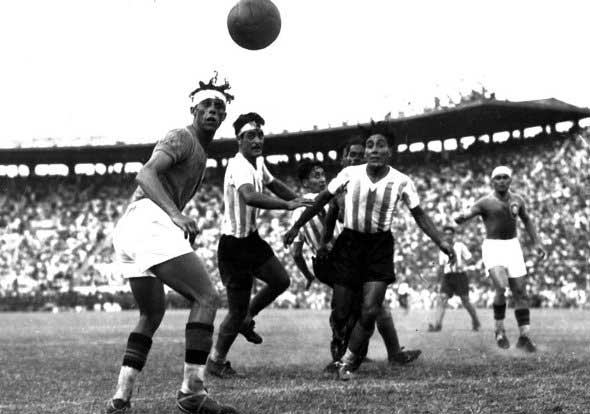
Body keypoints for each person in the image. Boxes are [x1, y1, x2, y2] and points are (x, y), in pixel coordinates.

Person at [106, 74, 238, 414]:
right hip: (148, 218)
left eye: (219, 107)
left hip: (132, 226)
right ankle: (191, 393)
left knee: (151, 313)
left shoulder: (201, 154)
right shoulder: (182, 137)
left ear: (224, 116)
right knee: (207, 298)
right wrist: (176, 216)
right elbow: (145, 174)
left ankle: (121, 397)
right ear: (193, 109)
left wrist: (173, 217)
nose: (212, 110)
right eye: (206, 105)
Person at [284, 131, 454, 381]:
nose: (374, 149)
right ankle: (346, 351)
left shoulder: (402, 181)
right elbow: (322, 202)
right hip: (349, 245)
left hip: (379, 247)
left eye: (380, 145)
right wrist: (297, 226)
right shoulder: (349, 174)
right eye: (370, 145)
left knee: (370, 309)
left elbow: (419, 215)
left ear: (389, 152)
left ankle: (348, 362)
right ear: (365, 152)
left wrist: (441, 240)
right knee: (341, 312)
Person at [290, 157, 421, 373]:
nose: (322, 179)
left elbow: (296, 251)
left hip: (324, 264)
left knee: (360, 307)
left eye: (323, 175)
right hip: (339, 260)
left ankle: (352, 353)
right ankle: (358, 354)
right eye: (316, 176)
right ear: (305, 183)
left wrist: (308, 275)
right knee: (365, 307)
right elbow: (341, 217)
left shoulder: (298, 210)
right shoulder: (328, 200)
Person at [207, 112, 312, 379]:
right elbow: (250, 196)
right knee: (235, 310)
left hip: (250, 239)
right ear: (239, 139)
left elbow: (273, 183)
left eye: (260, 135)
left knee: (280, 280)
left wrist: (300, 200)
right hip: (233, 246)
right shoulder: (239, 165)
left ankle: (246, 318)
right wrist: (287, 206)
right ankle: (216, 360)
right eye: (250, 135)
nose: (257, 140)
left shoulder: (257, 162)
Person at [454, 166, 546, 352]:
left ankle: (524, 336)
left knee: (520, 291)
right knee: (501, 287)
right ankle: (499, 331)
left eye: (505, 177)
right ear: (492, 181)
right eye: (498, 178)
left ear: (510, 180)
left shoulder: (518, 199)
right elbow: (467, 214)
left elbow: (526, 220)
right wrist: (460, 217)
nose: (502, 181)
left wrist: (537, 242)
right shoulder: (485, 202)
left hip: (513, 246)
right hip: (493, 247)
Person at [428, 225, 480, 332]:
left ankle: (476, 321)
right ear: (443, 235)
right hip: (448, 276)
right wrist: (437, 282)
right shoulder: (442, 249)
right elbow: (441, 267)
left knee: (465, 301)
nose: (448, 236)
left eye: (450, 234)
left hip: (460, 276)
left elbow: (470, 259)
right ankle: (437, 325)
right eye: (446, 234)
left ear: (453, 235)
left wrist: (463, 264)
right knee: (442, 299)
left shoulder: (460, 246)